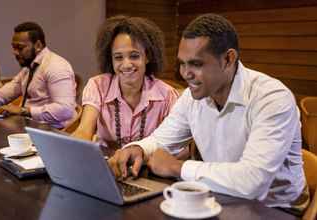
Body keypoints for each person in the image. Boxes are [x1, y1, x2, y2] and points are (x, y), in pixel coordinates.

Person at [108, 14, 308, 213]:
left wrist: (177, 167)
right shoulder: (192, 97)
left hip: (277, 210)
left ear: (228, 59)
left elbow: (252, 181)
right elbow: (161, 139)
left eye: (196, 64)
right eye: (182, 63)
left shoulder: (272, 98)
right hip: (220, 198)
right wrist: (138, 148)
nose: (185, 73)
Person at [72, 16, 179, 148]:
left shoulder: (168, 95)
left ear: (147, 57)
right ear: (110, 59)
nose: (126, 64)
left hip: (147, 166)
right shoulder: (97, 86)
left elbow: (178, 148)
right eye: (118, 57)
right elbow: (84, 131)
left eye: (134, 56)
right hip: (105, 164)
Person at [0, 22, 77, 128]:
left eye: (20, 48)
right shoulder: (29, 68)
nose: (15, 52)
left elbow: (65, 110)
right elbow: (2, 95)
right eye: (13, 47)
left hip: (52, 132)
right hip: (29, 127)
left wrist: (24, 110)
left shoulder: (56, 67)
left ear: (38, 45)